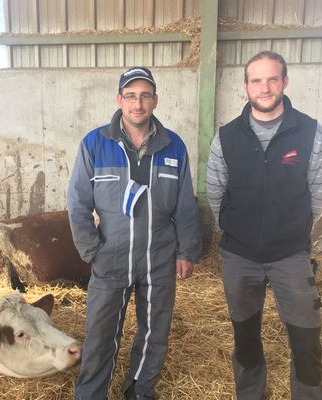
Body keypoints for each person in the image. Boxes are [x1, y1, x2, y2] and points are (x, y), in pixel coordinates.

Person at [68, 66, 202, 400]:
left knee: (154, 333)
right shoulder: (95, 144)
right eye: (130, 96)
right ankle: (91, 395)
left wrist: (187, 251)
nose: (137, 104)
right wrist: (91, 251)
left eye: (144, 96)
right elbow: (78, 203)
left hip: (159, 256)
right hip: (110, 256)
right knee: (100, 335)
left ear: (155, 100)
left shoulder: (173, 146)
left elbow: (186, 204)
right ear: (119, 100)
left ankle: (140, 391)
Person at [206, 51, 322, 399]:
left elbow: (318, 194)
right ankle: (250, 394)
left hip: (291, 254)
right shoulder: (226, 137)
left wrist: (293, 229)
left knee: (306, 337)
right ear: (246, 86)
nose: (265, 87)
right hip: (239, 256)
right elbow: (215, 193)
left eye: (272, 79)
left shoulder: (310, 133)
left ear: (285, 82)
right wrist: (237, 231)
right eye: (256, 80)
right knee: (245, 336)